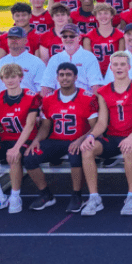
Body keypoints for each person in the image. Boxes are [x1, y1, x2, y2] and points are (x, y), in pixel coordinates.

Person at [23, 62, 98, 213]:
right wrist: (36, 140)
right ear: (57, 77)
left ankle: (77, 195)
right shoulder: (49, 98)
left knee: (75, 154)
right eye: (61, 75)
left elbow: (95, 127)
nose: (65, 78)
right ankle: (46, 194)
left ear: (75, 77)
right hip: (56, 140)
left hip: (78, 140)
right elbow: (45, 126)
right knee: (29, 156)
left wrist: (81, 140)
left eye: (68, 75)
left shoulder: (87, 97)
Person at [80, 52, 132, 215]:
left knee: (128, 149)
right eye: (115, 64)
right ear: (110, 67)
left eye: (122, 64)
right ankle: (94, 197)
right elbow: (102, 122)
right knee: (87, 149)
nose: (119, 67)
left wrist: (131, 138)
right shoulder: (104, 91)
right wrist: (90, 136)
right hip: (112, 137)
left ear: (129, 67)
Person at [0, 64, 41, 214]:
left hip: (26, 139)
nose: (10, 80)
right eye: (6, 77)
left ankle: (15, 196)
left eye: (13, 76)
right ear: (2, 79)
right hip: (5, 139)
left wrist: (16, 148)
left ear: (20, 77)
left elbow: (30, 125)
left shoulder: (31, 97)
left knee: (14, 156)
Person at [41, 23, 103, 97]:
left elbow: (96, 85)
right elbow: (46, 86)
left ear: (79, 38)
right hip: (60, 100)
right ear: (61, 38)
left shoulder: (89, 57)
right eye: (65, 36)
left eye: (72, 36)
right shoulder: (55, 59)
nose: (68, 39)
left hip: (83, 99)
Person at [0, 27, 46, 94]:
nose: (14, 40)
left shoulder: (36, 62)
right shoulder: (0, 63)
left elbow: (41, 89)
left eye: (17, 38)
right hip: (3, 99)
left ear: (25, 40)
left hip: (28, 99)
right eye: (11, 38)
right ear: (7, 41)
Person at [82, 2, 124, 75]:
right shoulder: (89, 36)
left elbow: (121, 59)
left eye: (106, 13)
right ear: (96, 16)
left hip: (114, 73)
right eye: (100, 14)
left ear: (112, 15)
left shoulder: (120, 35)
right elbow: (88, 60)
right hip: (95, 73)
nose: (103, 16)